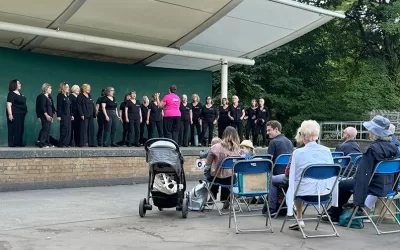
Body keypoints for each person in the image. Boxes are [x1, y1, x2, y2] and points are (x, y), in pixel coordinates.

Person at [325, 115, 400, 223]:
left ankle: (334, 215)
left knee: (343, 184)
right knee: (349, 182)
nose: (368, 131)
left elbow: (362, 175)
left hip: (372, 186)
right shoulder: (395, 148)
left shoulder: (371, 149)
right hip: (388, 187)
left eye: (370, 130)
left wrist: (358, 202)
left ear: (375, 132)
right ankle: (338, 212)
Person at [285, 120, 335, 230]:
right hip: (325, 192)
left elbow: (290, 174)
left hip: (304, 193)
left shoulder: (297, 153)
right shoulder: (327, 151)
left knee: (296, 184)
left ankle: (300, 218)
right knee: (300, 183)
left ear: (302, 134)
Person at [266, 127, 302, 216]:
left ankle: (271, 209)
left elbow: (268, 161)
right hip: (297, 177)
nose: (267, 132)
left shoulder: (273, 142)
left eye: (269, 130)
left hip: (284, 174)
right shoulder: (289, 142)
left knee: (269, 180)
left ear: (276, 129)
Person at [205, 126, 241, 209]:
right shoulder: (238, 150)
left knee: (213, 175)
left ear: (224, 134)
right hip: (231, 179)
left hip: (216, 177)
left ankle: (212, 195)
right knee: (228, 177)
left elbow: (208, 163)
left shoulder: (215, 147)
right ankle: (225, 200)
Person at [6, 79, 27, 147]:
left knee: (20, 128)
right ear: (14, 84)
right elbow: (9, 104)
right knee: (13, 128)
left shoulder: (20, 94)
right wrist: (10, 114)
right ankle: (11, 143)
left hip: (21, 114)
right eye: (18, 83)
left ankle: (18, 142)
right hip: (14, 113)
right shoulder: (11, 93)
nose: (20, 84)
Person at [37, 83, 54, 148]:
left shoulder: (49, 97)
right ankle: (42, 143)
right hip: (44, 116)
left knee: (48, 129)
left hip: (49, 115)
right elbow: (42, 107)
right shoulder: (42, 96)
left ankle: (47, 142)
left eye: (50, 88)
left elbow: (51, 107)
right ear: (45, 89)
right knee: (45, 129)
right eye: (49, 88)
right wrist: (46, 115)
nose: (51, 89)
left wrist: (52, 114)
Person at [56, 82, 73, 147]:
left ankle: (66, 143)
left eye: (68, 87)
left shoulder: (68, 96)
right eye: (66, 87)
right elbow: (59, 106)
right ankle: (61, 143)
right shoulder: (60, 96)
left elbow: (70, 106)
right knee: (64, 128)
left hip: (68, 115)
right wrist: (59, 115)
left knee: (69, 128)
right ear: (63, 88)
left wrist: (71, 115)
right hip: (63, 114)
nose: (68, 88)